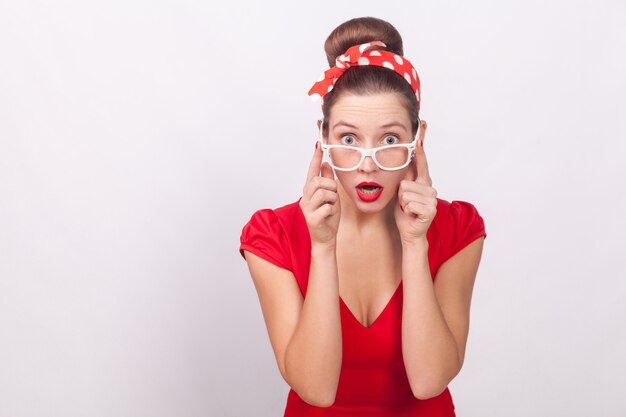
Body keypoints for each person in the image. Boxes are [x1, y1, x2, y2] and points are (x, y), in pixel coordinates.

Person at [238, 16, 487, 417]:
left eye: (389, 139)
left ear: (417, 138)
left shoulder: (458, 229)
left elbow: (428, 382)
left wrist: (415, 243)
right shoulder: (273, 235)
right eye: (349, 139)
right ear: (324, 139)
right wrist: (322, 247)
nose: (367, 165)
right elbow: (316, 389)